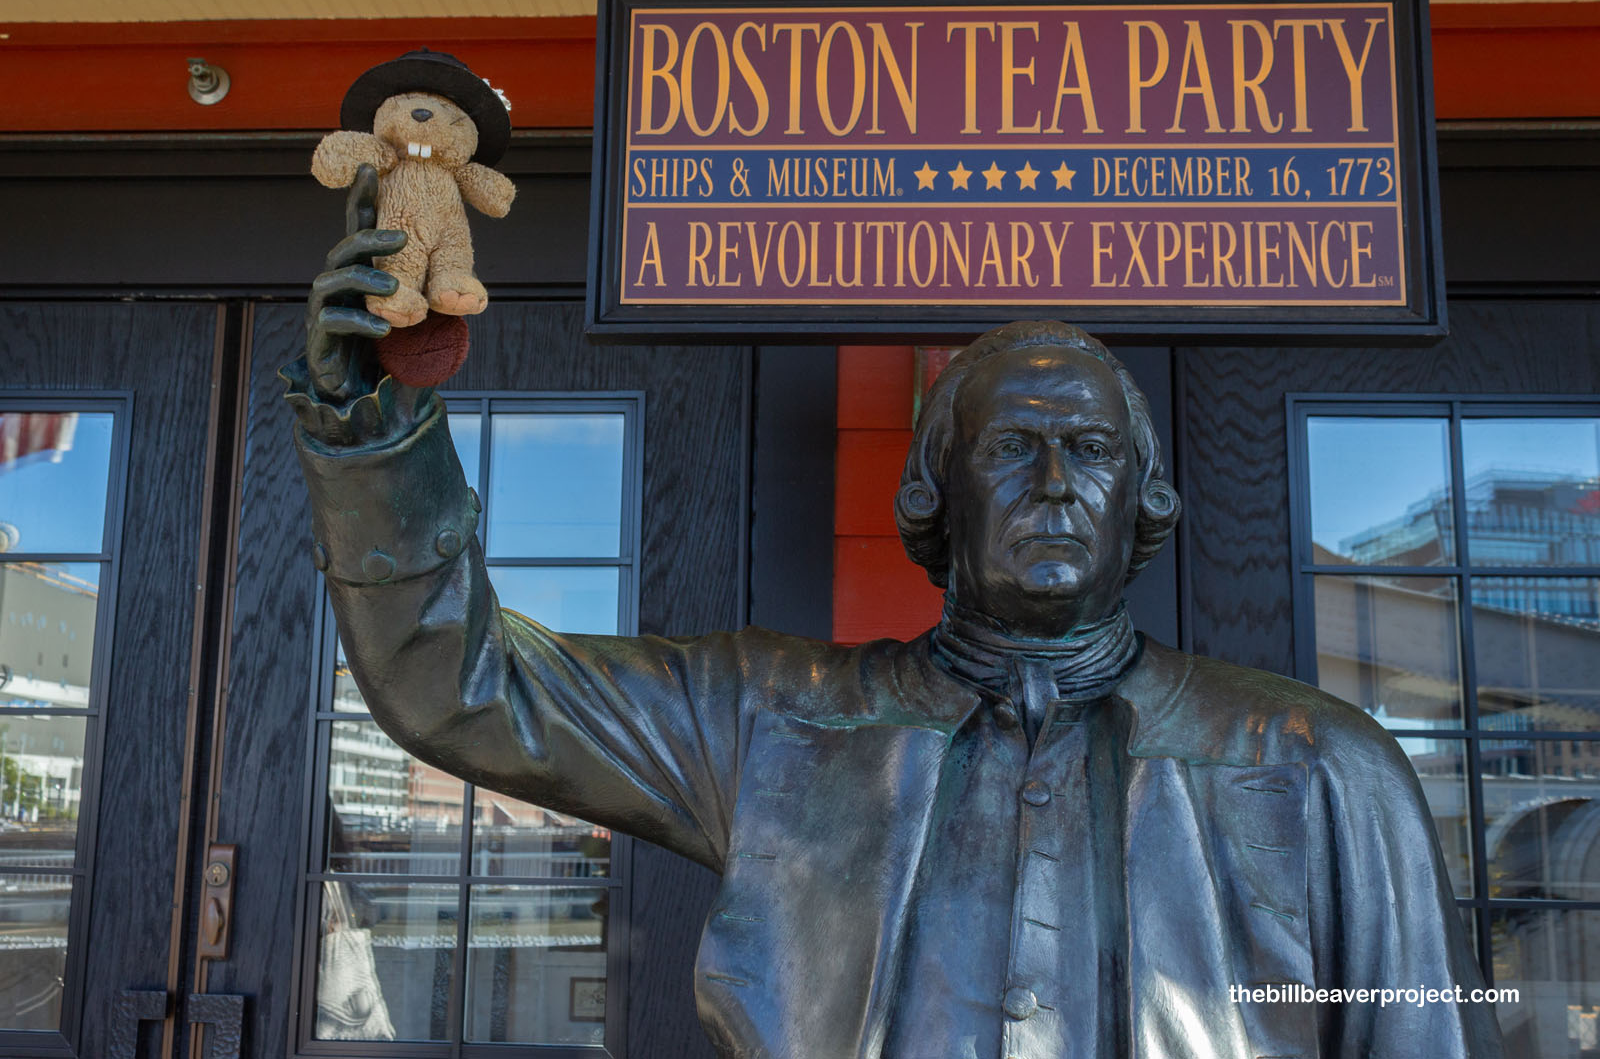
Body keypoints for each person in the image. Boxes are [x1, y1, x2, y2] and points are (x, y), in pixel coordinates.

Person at [282, 167, 1505, 1059]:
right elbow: (462, 684)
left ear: (1143, 500)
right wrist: (370, 435)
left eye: (1090, 451)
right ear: (933, 491)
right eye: (1010, 447)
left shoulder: (1322, 767)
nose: (1054, 483)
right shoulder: (769, 718)